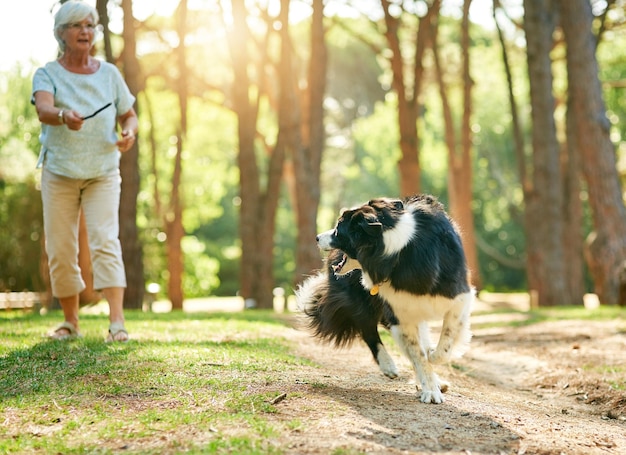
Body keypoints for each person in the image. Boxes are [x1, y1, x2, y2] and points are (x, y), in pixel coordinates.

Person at [32, 0, 138, 342]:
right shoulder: (47, 72)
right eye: (77, 25)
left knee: (106, 240)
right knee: (61, 247)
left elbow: (128, 113)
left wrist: (130, 133)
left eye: (90, 26)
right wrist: (64, 116)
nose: (86, 32)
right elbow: (44, 109)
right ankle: (70, 322)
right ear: (62, 33)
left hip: (102, 172)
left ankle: (117, 323)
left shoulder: (109, 73)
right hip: (59, 172)